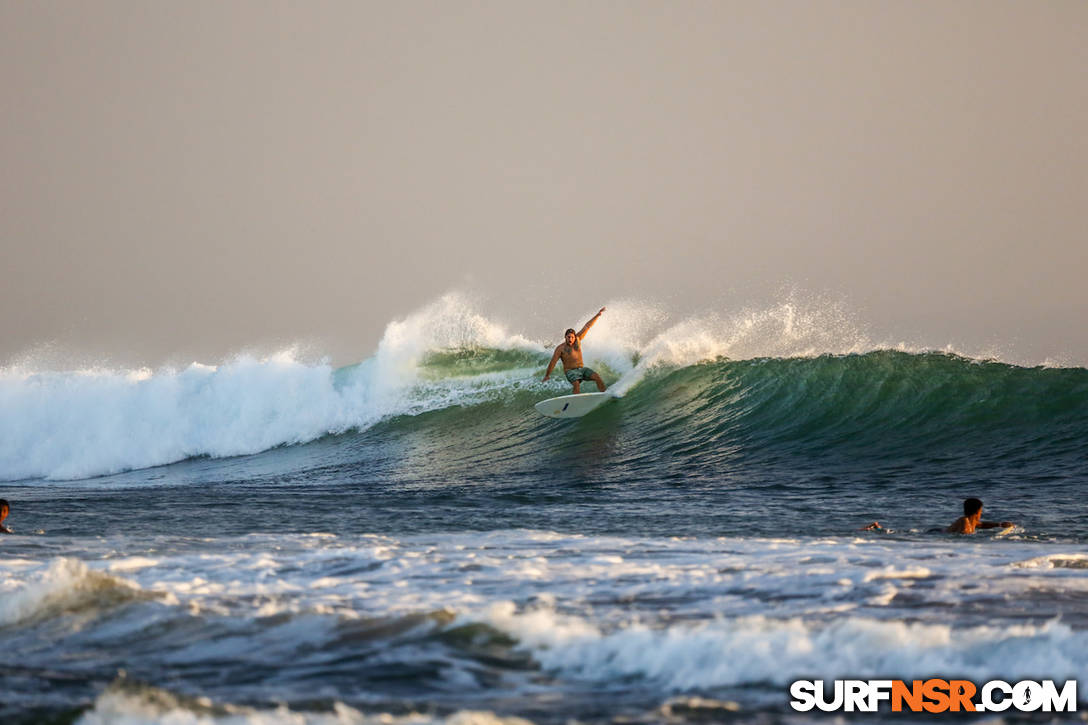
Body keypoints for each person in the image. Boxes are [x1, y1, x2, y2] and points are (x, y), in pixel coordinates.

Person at [543, 307, 607, 394]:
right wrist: (547, 375)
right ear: (565, 337)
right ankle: (575, 400)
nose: (570, 339)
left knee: (597, 377)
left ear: (574, 337)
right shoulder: (560, 348)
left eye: (572, 337)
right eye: (568, 337)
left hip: (582, 369)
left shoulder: (578, 339)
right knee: (576, 384)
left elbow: (587, 326)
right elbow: (553, 362)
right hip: (570, 371)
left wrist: (597, 315)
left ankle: (604, 394)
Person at [946, 497, 1014, 534]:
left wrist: (1000, 524)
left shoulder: (971, 521)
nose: (981, 513)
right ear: (977, 511)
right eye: (981, 511)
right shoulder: (965, 522)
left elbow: (982, 525)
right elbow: (961, 537)